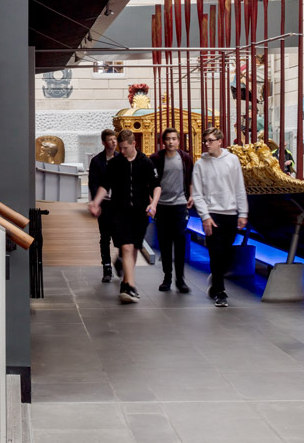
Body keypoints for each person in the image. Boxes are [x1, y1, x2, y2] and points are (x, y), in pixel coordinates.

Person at [88, 129, 157, 304]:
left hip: (140, 212)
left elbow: (155, 185)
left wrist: (153, 203)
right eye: (121, 148)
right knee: (126, 247)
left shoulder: (145, 162)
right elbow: (105, 185)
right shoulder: (115, 163)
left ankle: (126, 282)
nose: (122, 151)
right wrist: (96, 202)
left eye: (125, 148)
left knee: (133, 248)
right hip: (119, 211)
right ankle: (130, 286)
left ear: (134, 144)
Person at [191, 127, 248, 308]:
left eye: (210, 140)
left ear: (219, 141)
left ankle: (215, 281)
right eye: (205, 140)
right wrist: (205, 216)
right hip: (212, 214)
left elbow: (239, 187)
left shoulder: (232, 160)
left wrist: (243, 212)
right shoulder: (200, 164)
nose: (207, 144)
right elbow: (198, 193)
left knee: (226, 254)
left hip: (230, 213)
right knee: (215, 252)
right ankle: (220, 291)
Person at [148, 128, 193, 293]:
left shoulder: (185, 158)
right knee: (165, 243)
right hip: (162, 206)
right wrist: (152, 201)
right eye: (168, 139)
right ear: (163, 141)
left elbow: (190, 178)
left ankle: (180, 279)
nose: (171, 142)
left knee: (180, 240)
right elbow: (151, 182)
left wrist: (191, 195)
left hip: (180, 204)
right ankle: (167, 277)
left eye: (174, 138)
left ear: (179, 141)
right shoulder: (156, 159)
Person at [87, 128, 119, 283]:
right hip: (105, 204)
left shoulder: (121, 159)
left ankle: (120, 261)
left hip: (119, 203)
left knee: (120, 236)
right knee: (105, 237)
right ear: (104, 142)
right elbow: (93, 183)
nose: (113, 142)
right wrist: (95, 202)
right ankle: (107, 267)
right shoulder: (97, 161)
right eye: (110, 140)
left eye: (115, 139)